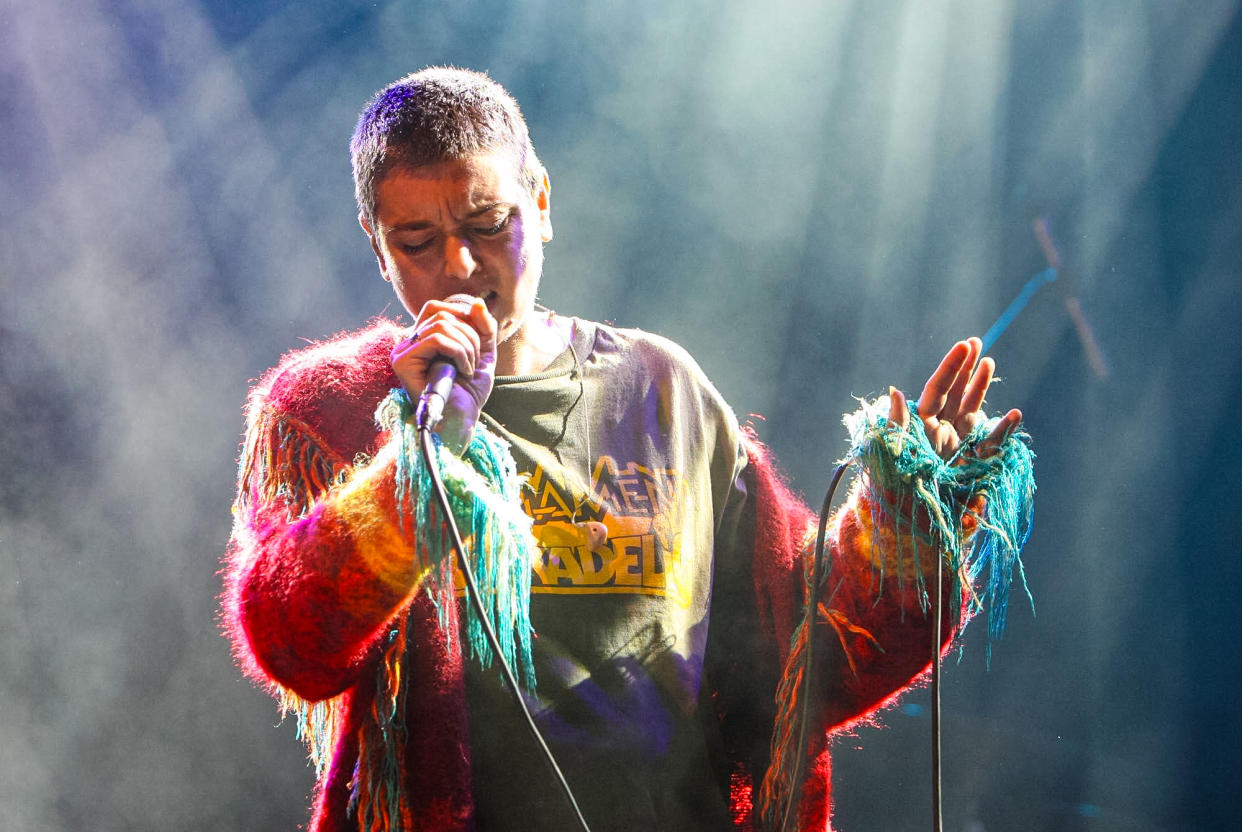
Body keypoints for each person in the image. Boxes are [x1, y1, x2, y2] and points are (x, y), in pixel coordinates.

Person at [222, 67, 1032, 832]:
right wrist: (414, 473)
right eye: (417, 241)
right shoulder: (329, 410)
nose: (460, 267)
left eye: (485, 223)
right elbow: (286, 638)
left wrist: (905, 514)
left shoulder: (660, 385)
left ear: (539, 204)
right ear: (375, 242)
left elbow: (805, 656)